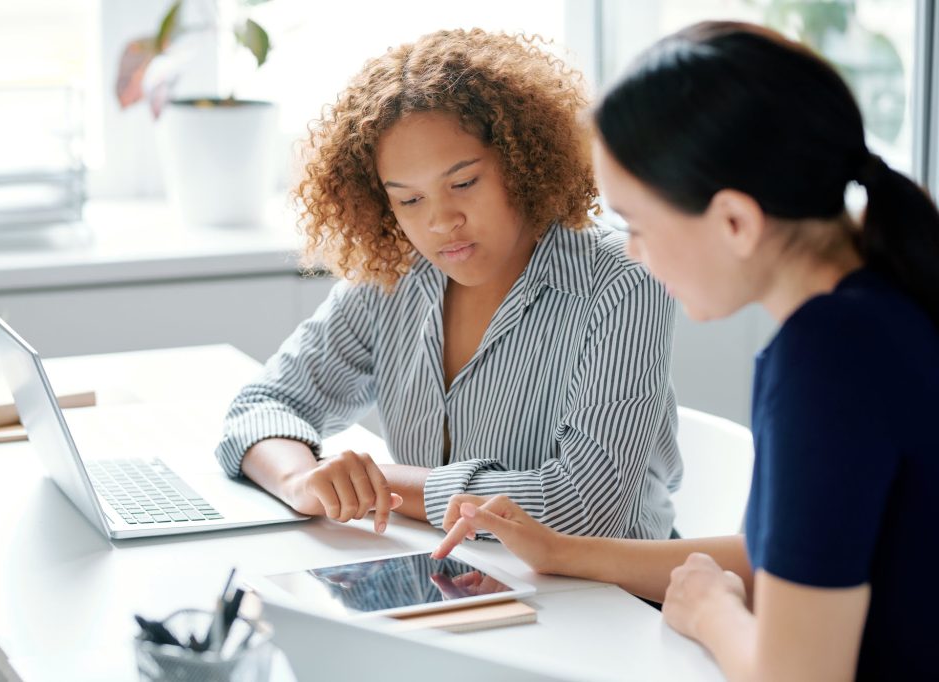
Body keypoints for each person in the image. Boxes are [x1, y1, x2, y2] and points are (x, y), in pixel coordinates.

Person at [433, 21, 939, 681]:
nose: (633, 252)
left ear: (735, 221)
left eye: (639, 226)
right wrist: (562, 552)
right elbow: (791, 562)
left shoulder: (824, 361)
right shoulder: (885, 308)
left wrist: (710, 612)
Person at [215, 28, 682, 540]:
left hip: (610, 602)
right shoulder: (394, 274)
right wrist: (303, 481)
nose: (440, 222)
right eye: (409, 200)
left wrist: (384, 484)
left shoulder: (621, 280)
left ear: (523, 160)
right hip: (453, 577)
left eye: (463, 183)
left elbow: (587, 510)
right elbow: (261, 407)